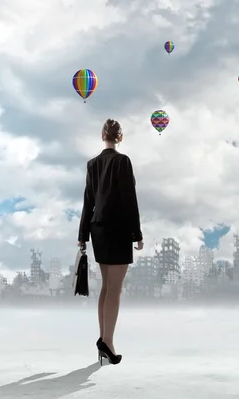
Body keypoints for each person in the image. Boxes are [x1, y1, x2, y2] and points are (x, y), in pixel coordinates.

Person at [77, 118, 144, 366]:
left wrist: (82, 235)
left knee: (106, 286)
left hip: (97, 230)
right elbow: (129, 199)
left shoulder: (92, 164)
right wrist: (136, 233)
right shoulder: (122, 161)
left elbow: (88, 201)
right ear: (121, 137)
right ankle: (108, 343)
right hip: (117, 229)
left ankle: (104, 340)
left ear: (102, 135)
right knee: (114, 288)